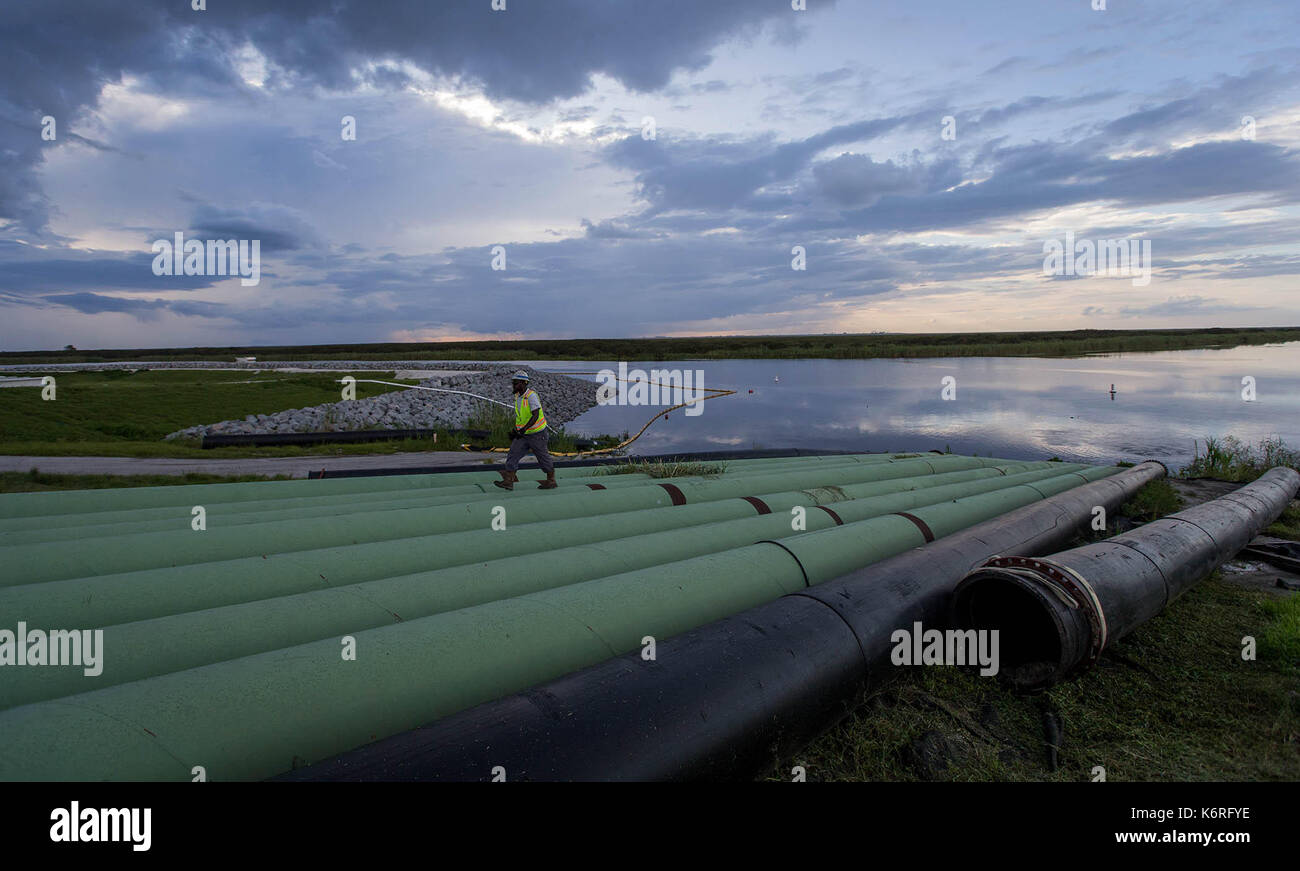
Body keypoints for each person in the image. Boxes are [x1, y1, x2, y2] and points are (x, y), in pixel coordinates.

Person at [494, 371, 557, 490]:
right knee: (513, 453)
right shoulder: (518, 396)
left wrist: (523, 430)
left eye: (516, 383)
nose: (513, 385)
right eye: (513, 383)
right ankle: (508, 481)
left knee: (543, 458)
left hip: (537, 434)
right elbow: (522, 416)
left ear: (524, 383)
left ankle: (551, 480)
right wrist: (516, 431)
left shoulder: (531, 396)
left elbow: (535, 415)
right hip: (524, 434)